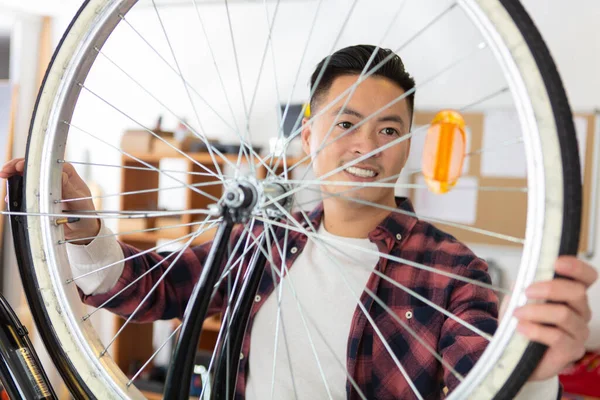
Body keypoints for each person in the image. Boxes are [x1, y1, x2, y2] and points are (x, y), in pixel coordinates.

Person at [1, 45, 597, 400]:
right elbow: (147, 287)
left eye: (389, 130)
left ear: (408, 146)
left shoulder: (449, 267)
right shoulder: (264, 239)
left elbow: (479, 373)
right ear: (309, 135)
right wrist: (80, 224)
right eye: (345, 123)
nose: (367, 146)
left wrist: (535, 370)